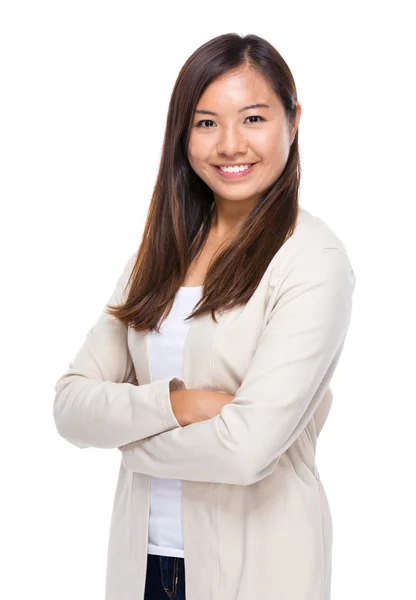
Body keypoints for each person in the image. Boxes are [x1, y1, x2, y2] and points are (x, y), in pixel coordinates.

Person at [53, 32, 356, 600]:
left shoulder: (312, 259)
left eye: (254, 118)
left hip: (261, 569)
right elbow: (70, 406)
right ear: (183, 135)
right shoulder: (158, 255)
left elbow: (245, 451)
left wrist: (126, 439)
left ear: (294, 120)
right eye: (206, 123)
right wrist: (177, 404)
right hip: (143, 563)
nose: (231, 145)